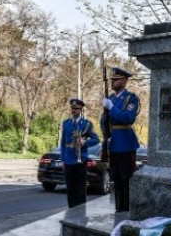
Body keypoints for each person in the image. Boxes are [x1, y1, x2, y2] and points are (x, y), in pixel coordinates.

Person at [101, 67, 141, 213]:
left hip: (126, 143)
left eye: (116, 79)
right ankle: (119, 210)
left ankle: (126, 210)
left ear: (124, 81)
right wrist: (106, 136)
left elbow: (127, 118)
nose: (113, 82)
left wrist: (111, 108)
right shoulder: (110, 98)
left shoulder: (131, 98)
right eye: (112, 79)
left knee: (126, 180)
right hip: (113, 144)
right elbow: (103, 120)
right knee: (116, 180)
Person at [60, 98, 100, 208]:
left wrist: (85, 142)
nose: (73, 111)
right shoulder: (66, 123)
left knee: (80, 189)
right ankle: (71, 211)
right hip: (68, 160)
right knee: (70, 188)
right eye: (72, 108)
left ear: (81, 110)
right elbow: (63, 143)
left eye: (76, 109)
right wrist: (62, 159)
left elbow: (96, 139)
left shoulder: (86, 124)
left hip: (81, 160)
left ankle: (80, 212)